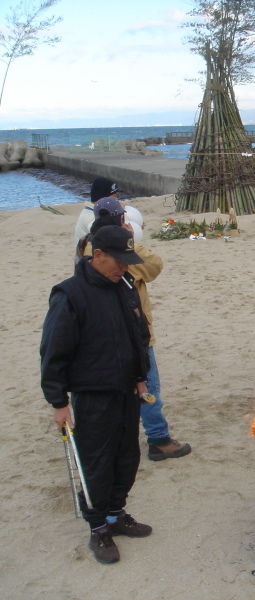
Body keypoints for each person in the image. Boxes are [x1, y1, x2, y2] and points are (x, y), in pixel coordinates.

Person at [41, 225, 152, 564]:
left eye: (127, 261)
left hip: (126, 390)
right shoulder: (70, 295)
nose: (124, 267)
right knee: (96, 462)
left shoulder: (125, 287)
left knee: (127, 457)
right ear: (97, 255)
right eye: (118, 261)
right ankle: (98, 527)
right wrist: (58, 402)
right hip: (93, 394)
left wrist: (140, 377)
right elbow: (52, 351)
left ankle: (117, 514)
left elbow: (138, 335)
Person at [82, 198, 191, 461]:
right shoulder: (119, 250)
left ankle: (117, 439)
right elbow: (154, 267)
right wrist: (132, 242)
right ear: (122, 220)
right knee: (147, 386)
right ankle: (159, 438)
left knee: (119, 388)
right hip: (133, 331)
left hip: (103, 334)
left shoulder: (88, 247)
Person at [75, 177, 118, 249]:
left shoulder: (98, 212)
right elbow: (103, 235)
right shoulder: (90, 216)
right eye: (114, 198)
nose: (116, 201)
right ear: (103, 199)